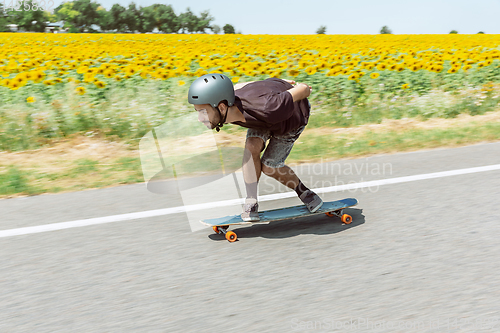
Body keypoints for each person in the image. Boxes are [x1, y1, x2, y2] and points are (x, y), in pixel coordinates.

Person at [187, 73, 323, 222]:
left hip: (291, 118)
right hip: (262, 118)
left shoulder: (269, 106)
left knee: (269, 167)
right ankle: (251, 202)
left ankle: (305, 193)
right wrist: (276, 81)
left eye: (203, 112)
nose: (200, 119)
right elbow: (239, 86)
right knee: (251, 147)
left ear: (222, 107)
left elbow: (303, 90)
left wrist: (299, 88)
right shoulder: (228, 101)